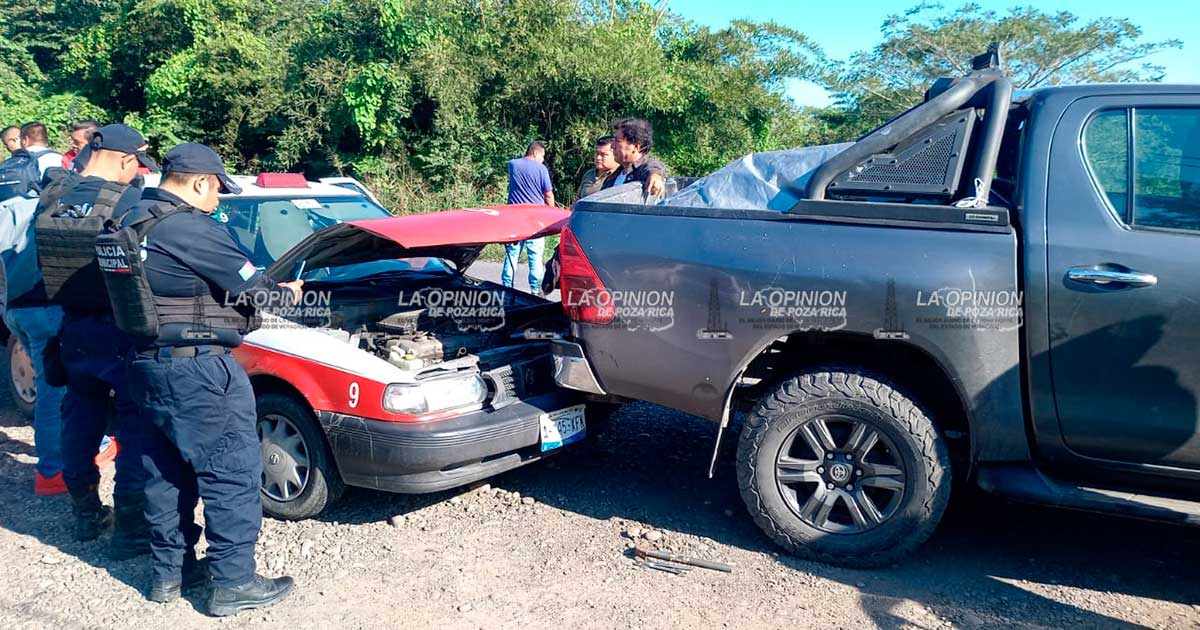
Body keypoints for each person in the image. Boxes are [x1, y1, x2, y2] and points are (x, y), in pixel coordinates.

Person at [108, 143, 299, 615]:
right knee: (231, 471)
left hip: (145, 366)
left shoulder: (128, 219)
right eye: (216, 190)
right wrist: (289, 292)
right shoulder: (190, 227)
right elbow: (256, 289)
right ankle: (233, 582)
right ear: (198, 183)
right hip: (199, 369)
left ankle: (169, 574)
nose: (218, 201)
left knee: (164, 471)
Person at [33, 124, 155, 554]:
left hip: (72, 329)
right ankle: (130, 530)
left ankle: (85, 513)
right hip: (119, 329)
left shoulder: (55, 195)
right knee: (134, 425)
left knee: (79, 422)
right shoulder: (128, 199)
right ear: (126, 161)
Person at [502, 141, 555, 295]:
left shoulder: (512, 164)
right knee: (535, 257)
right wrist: (551, 215)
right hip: (535, 220)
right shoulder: (541, 169)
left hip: (514, 219)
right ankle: (535, 290)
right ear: (536, 153)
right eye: (542, 156)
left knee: (511, 255)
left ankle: (506, 287)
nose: (543, 160)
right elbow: (548, 194)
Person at [603, 117, 667, 196]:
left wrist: (655, 175)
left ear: (637, 146)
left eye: (618, 141)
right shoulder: (612, 178)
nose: (612, 146)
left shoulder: (642, 171)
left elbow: (654, 166)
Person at [575, 135, 619, 202]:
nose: (598, 158)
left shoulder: (619, 176)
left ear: (615, 154)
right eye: (597, 153)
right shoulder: (589, 174)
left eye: (603, 154)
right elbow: (578, 199)